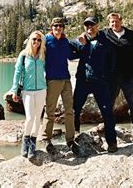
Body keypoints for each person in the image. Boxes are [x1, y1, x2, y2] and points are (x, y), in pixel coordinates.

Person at [71, 17, 118, 152]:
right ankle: (75, 136)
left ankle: (112, 142)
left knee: (107, 112)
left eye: (92, 24)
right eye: (87, 25)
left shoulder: (106, 41)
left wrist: (109, 78)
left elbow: (112, 61)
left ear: (97, 26)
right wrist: (79, 42)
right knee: (75, 109)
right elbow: (68, 52)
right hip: (83, 81)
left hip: (100, 82)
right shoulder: (80, 40)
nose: (89, 27)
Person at [104, 12, 133, 145]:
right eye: (112, 22)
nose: (114, 24)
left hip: (129, 76)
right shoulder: (105, 35)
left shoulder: (131, 34)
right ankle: (110, 136)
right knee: (108, 106)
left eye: (116, 21)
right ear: (109, 23)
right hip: (111, 77)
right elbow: (90, 38)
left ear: (121, 21)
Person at [41, 17, 79, 155]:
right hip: (52, 80)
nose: (58, 28)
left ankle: (70, 140)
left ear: (63, 28)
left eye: (60, 26)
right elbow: (38, 56)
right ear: (51, 27)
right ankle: (46, 139)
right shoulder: (46, 40)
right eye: (55, 26)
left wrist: (85, 49)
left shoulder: (65, 41)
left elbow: (70, 56)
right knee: (50, 111)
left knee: (69, 111)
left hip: (66, 80)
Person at [11, 30, 47, 159]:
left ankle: (33, 145)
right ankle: (25, 143)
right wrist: (14, 90)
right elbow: (17, 72)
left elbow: (48, 70)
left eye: (39, 40)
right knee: (30, 118)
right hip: (27, 91)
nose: (36, 42)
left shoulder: (43, 55)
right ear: (30, 40)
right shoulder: (24, 55)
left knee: (38, 119)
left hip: (41, 90)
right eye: (34, 39)